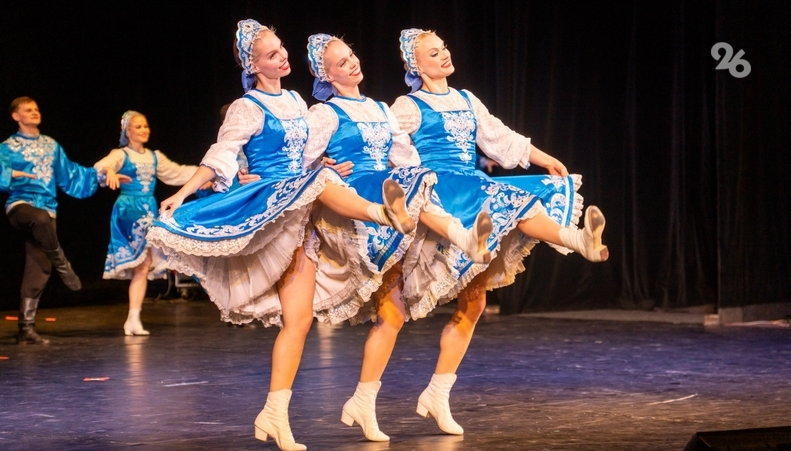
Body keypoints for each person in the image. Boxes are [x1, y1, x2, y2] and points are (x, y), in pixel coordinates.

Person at [145, 20, 415, 451]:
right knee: (324, 185)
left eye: (282, 48)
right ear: (254, 66)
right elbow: (221, 155)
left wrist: (326, 161)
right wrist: (183, 192)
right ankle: (383, 213)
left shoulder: (295, 100)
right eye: (272, 54)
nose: (283, 56)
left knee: (300, 320)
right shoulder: (247, 107)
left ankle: (274, 412)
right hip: (273, 205)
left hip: (301, 208)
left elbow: (308, 154)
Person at [384, 28, 608, 437]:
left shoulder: (467, 99)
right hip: (441, 192)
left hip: (472, 189)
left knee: (475, 302)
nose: (444, 55)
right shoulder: (408, 106)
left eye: (444, 48)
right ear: (417, 66)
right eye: (434, 53)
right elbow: (380, 141)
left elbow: (500, 138)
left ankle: (437, 393)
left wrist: (543, 157)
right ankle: (575, 240)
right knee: (393, 308)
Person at [302, 34, 493, 442]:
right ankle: (363, 401)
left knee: (436, 306)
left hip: (398, 209)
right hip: (360, 213)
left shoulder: (380, 109)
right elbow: (298, 160)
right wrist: (324, 164)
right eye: (341, 62)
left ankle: (420, 395)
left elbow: (405, 159)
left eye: (352, 56)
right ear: (327, 75)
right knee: (391, 312)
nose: (352, 64)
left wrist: (430, 185)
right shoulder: (324, 114)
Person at [0, 97, 129, 344]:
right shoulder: (7, 147)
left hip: (47, 209)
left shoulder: (50, 145)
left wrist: (101, 177)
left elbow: (72, 175)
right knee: (39, 217)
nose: (34, 112)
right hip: (21, 206)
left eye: (36, 109)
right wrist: (10, 172)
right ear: (16, 116)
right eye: (28, 110)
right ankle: (62, 262)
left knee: (40, 269)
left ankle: (26, 330)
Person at [94, 111, 199, 335]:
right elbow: (100, 167)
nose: (144, 130)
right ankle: (132, 318)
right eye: (138, 127)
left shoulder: (154, 157)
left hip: (148, 208)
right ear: (127, 131)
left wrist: (206, 173)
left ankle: (133, 318)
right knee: (143, 262)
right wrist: (109, 171)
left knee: (143, 266)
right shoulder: (121, 154)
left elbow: (178, 172)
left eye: (146, 126)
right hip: (129, 210)